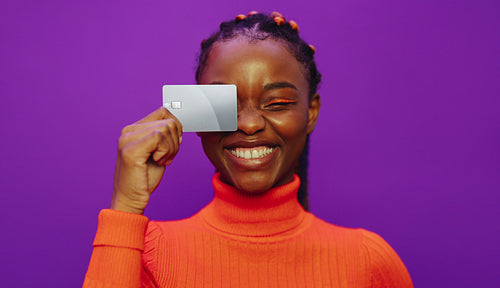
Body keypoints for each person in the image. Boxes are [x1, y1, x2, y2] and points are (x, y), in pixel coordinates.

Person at [84, 11, 413, 287]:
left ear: (310, 112)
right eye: (225, 104)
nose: (250, 124)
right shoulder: (146, 254)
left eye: (279, 102)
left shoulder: (368, 262)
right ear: (196, 114)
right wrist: (125, 208)